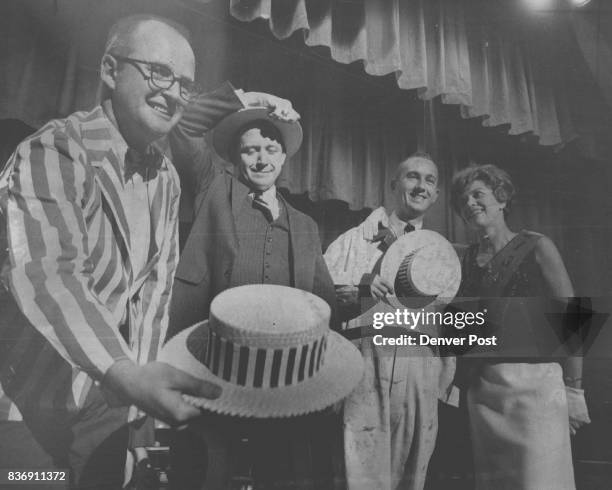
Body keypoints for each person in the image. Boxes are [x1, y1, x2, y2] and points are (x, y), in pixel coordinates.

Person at [0, 14, 290, 488]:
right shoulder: (54, 151)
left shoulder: (167, 179)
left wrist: (138, 414)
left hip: (108, 407)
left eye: (185, 84)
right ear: (111, 71)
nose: (174, 93)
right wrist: (126, 376)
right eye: (159, 73)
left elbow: (151, 298)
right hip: (26, 404)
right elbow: (51, 276)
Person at [166, 107, 337, 489]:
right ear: (235, 156)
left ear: (283, 157)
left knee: (280, 473)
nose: (262, 159)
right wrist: (247, 99)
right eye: (250, 150)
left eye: (271, 149)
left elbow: (327, 303)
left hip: (281, 376)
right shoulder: (215, 189)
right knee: (205, 473)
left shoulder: (306, 227)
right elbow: (185, 125)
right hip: (212, 364)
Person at [449, 163, 591, 489]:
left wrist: (575, 388)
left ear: (501, 199)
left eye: (478, 194)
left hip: (537, 392)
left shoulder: (538, 246)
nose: (469, 203)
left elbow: (572, 318)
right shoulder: (464, 260)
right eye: (463, 199)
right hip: (484, 394)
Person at [324, 152, 456, 490]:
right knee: (360, 469)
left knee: (411, 471)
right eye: (412, 177)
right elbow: (318, 298)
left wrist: (443, 381)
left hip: (418, 371)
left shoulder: (442, 256)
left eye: (429, 180)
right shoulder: (353, 241)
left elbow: (446, 326)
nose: (420, 186)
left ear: (436, 194)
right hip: (365, 364)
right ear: (394, 184)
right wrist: (354, 293)